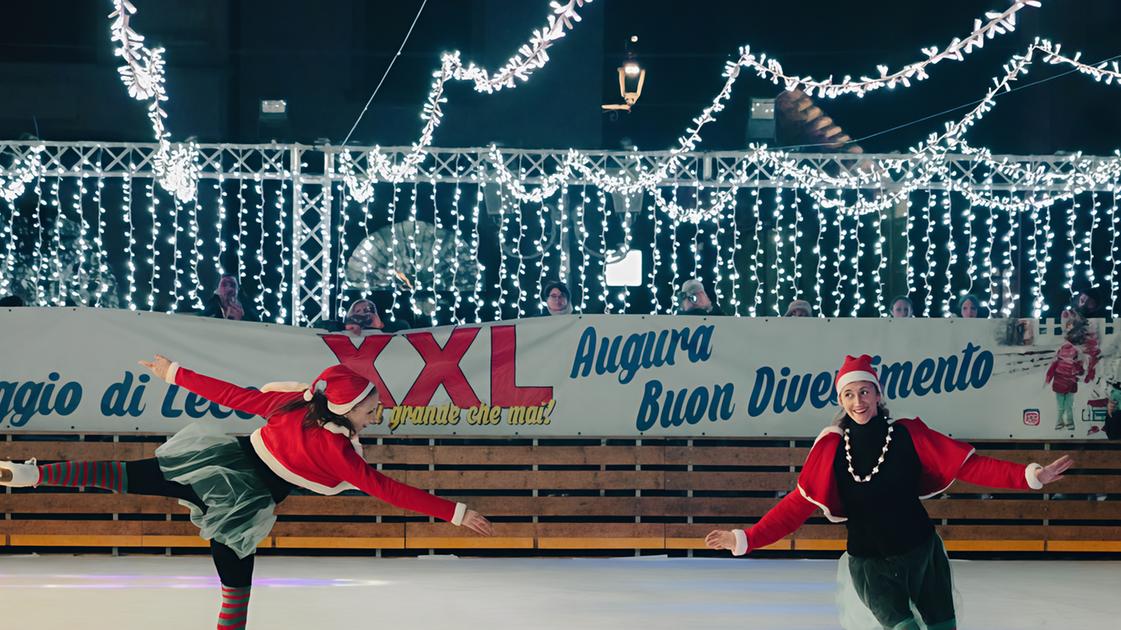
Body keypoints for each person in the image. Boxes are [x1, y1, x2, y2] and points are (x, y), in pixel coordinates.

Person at [1, 356, 493, 629]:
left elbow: (233, 396)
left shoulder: (295, 404)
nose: (376, 416)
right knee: (235, 571)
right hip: (246, 497)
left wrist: (175, 373)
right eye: (370, 411)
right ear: (344, 412)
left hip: (215, 459)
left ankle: (33, 475)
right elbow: (387, 489)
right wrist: (454, 512)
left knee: (132, 476)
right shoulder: (339, 452)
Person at [704, 354, 1071, 630]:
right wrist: (746, 538)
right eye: (848, 394)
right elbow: (798, 504)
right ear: (841, 401)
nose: (858, 401)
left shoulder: (909, 435)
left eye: (864, 391)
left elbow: (969, 466)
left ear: (878, 393)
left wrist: (1030, 475)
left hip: (922, 555)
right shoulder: (832, 448)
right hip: (870, 564)